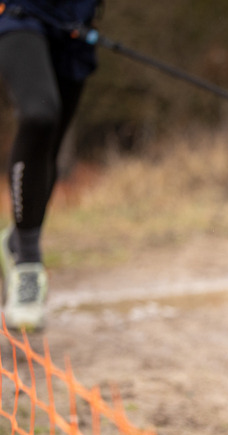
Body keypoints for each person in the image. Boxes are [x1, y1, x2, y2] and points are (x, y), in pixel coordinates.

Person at [0, 0, 101, 330]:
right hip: (18, 12)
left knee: (49, 147)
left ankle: (15, 242)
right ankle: (27, 262)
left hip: (75, 20)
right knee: (39, 116)